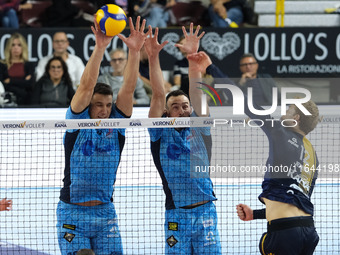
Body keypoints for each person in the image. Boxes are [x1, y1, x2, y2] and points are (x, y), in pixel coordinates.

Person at [56, 16, 148, 254]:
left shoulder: (116, 125)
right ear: (89, 107)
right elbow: (86, 86)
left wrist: (135, 51)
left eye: (108, 105)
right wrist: (100, 47)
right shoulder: (77, 122)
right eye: (99, 105)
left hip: (105, 211)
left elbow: (128, 88)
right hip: (72, 211)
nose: (105, 110)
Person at [146, 23, 221, 254]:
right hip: (176, 213)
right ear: (166, 114)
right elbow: (159, 94)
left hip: (205, 211)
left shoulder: (200, 127)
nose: (182, 110)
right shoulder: (159, 131)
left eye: (185, 106)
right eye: (175, 107)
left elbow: (197, 91)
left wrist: (192, 58)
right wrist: (152, 57)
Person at [236, 97, 320, 254]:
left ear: (296, 118)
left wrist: (212, 71)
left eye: (289, 109)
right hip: (308, 230)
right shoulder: (313, 155)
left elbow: (247, 103)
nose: (285, 112)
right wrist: (254, 214)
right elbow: (295, 201)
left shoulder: (280, 134)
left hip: (284, 233)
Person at [0, 32, 35, 106]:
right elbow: (2, 84)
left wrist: (10, 81)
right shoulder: (2, 64)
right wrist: (23, 82)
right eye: (13, 45)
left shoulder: (29, 65)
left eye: (19, 45)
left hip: (25, 101)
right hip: (6, 100)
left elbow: (30, 84)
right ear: (9, 47)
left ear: (23, 47)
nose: (16, 48)